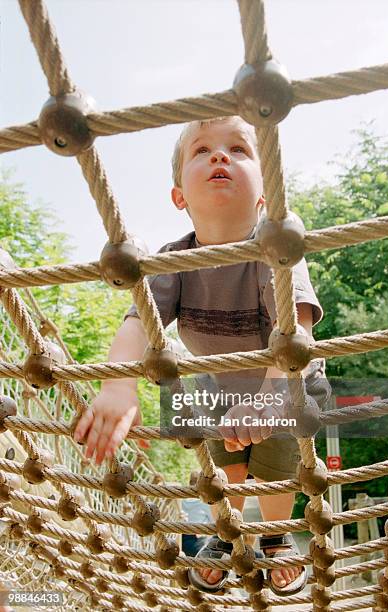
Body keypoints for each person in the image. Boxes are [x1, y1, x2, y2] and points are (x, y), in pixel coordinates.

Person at [74, 116, 331, 596]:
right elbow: (138, 322)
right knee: (222, 466)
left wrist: (272, 397)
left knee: (276, 469)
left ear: (263, 194)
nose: (219, 156)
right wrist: (119, 385)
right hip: (220, 382)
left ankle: (275, 538)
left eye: (238, 149)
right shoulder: (173, 261)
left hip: (289, 379)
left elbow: (296, 328)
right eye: (203, 150)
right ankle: (226, 532)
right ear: (179, 197)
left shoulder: (276, 247)